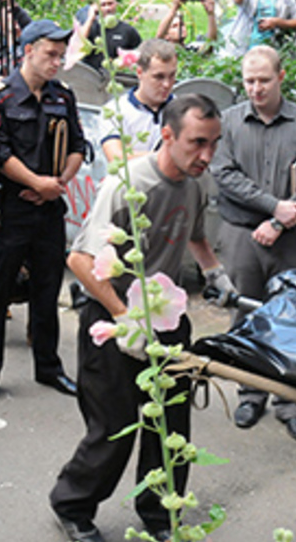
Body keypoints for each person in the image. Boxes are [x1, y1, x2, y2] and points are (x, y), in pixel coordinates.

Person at [49, 94, 234, 542]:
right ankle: (71, 505)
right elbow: (79, 260)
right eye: (196, 143)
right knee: (114, 426)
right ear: (167, 135)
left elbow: (194, 236)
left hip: (166, 316)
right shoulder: (127, 184)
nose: (206, 156)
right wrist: (123, 315)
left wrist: (215, 272)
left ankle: (159, 515)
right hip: (114, 311)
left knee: (170, 426)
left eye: (213, 143)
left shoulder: (193, 184)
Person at [210, 46, 296, 444]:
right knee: (245, 314)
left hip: (293, 240)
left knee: (291, 317)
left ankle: (290, 402)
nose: (256, 88)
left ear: (281, 76)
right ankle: (250, 393)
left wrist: (280, 220)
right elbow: (224, 173)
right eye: (249, 81)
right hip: (242, 235)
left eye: (263, 80)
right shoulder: (227, 123)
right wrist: (272, 207)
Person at [0, 19, 87, 406]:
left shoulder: (62, 96)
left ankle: (49, 366)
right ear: (28, 51)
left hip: (49, 210)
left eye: (60, 55)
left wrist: (57, 183)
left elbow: (77, 145)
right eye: (50, 55)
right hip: (12, 210)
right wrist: (36, 183)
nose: (57, 62)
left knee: (46, 291)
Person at [100, 38, 180, 163]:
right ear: (139, 72)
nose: (166, 84)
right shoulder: (115, 110)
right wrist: (165, 156)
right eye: (159, 77)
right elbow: (116, 157)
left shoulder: (182, 108)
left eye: (172, 76)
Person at [71, 0, 142, 70]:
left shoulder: (127, 30)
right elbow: (78, 43)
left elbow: (139, 53)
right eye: (103, 5)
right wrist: (90, 17)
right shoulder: (90, 27)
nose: (108, 8)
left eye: (110, 4)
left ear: (116, 4)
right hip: (90, 75)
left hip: (115, 76)